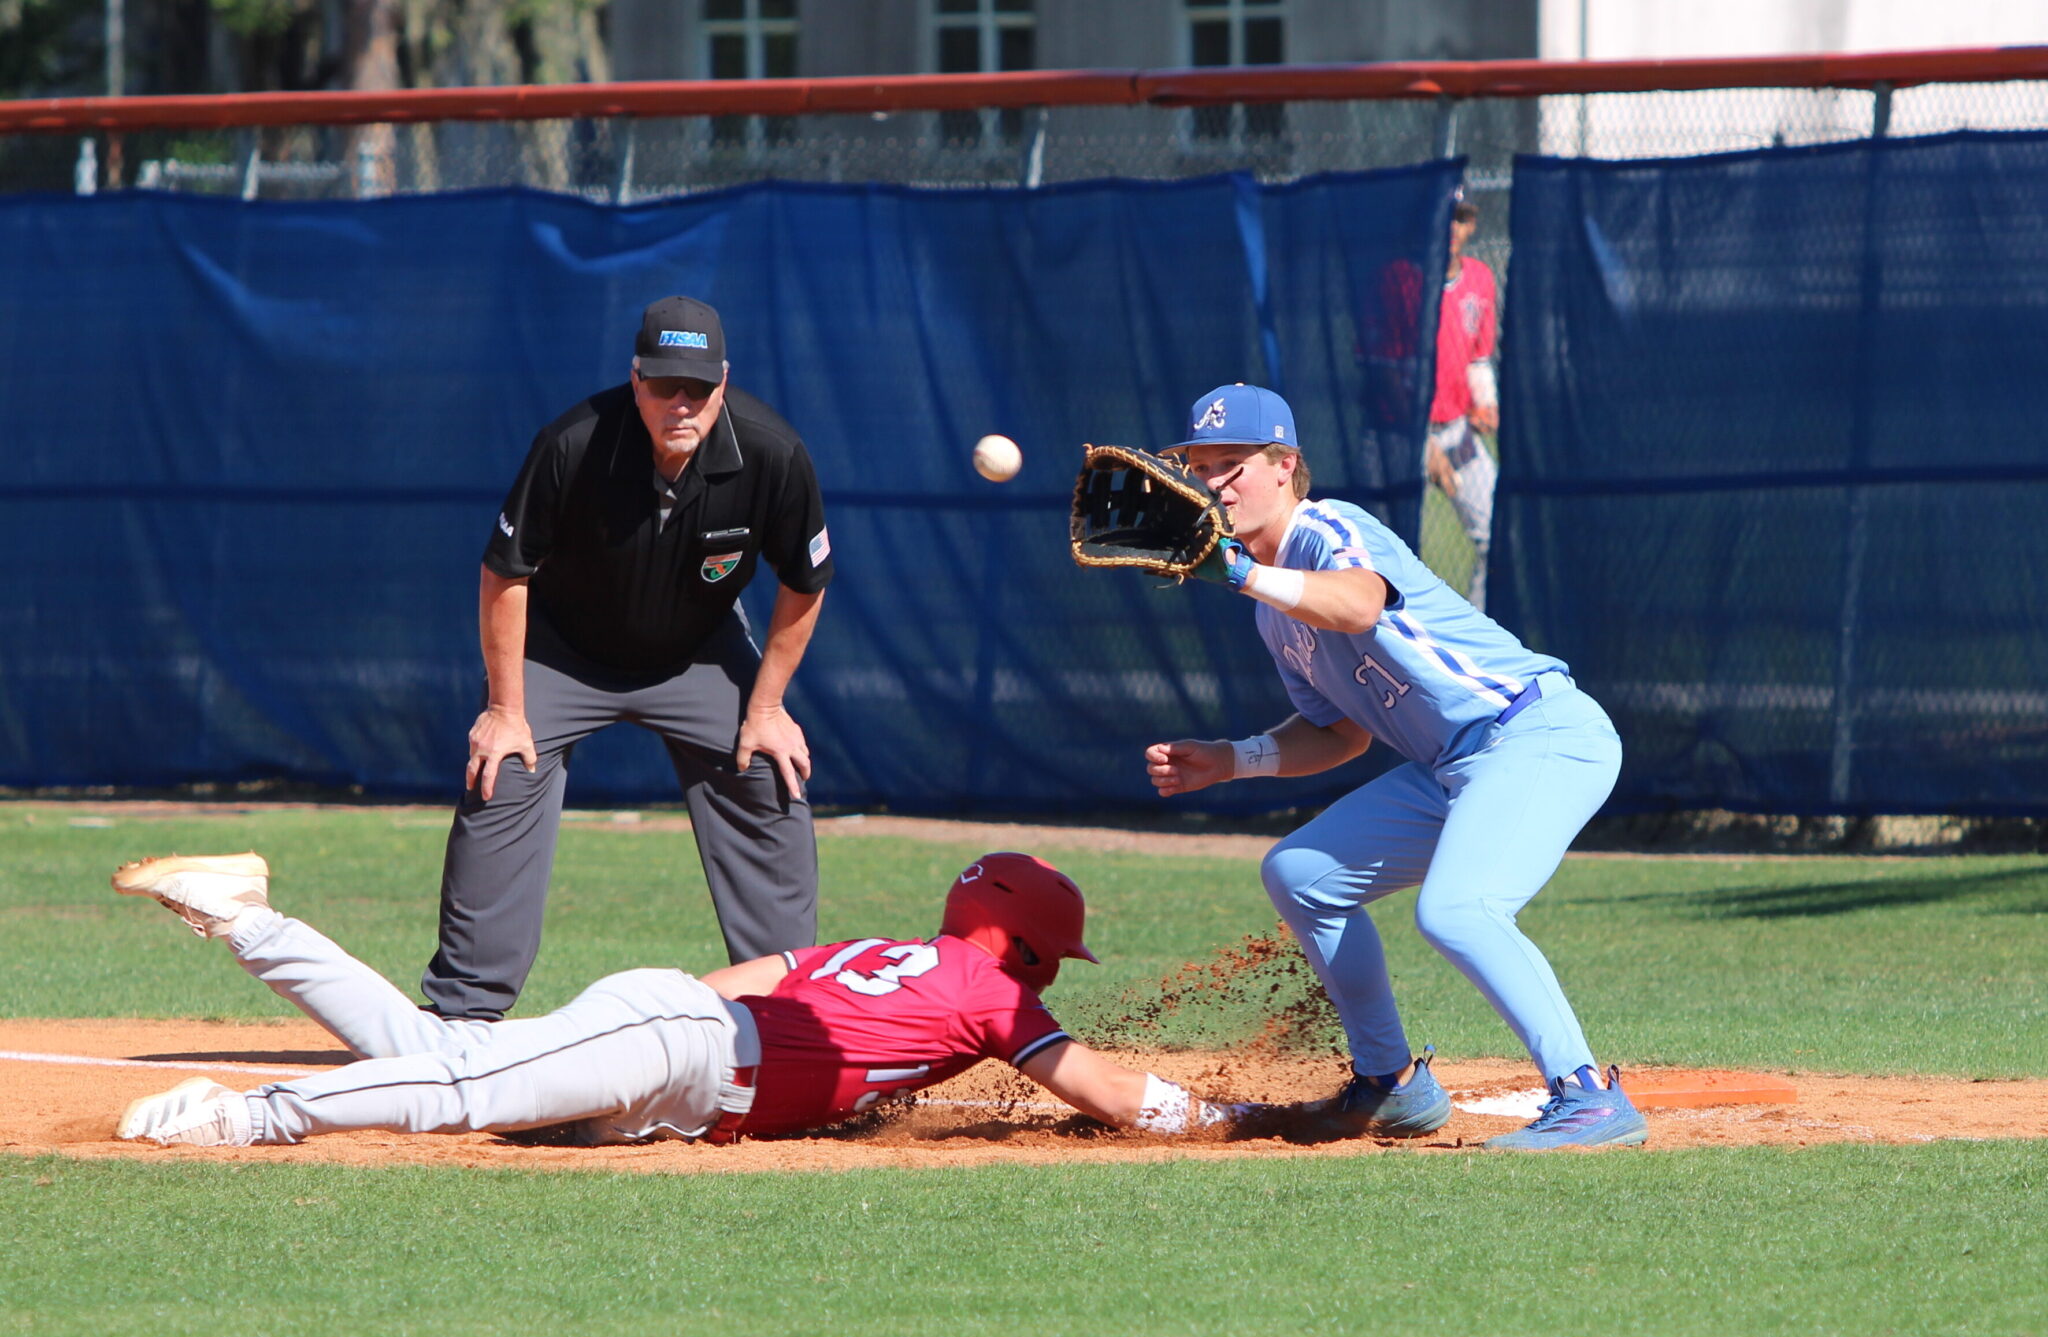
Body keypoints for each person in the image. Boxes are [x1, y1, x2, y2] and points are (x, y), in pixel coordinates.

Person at [1144, 383, 1646, 1152]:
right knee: (1300, 873)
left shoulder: (1328, 527)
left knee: (1458, 909)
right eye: (1201, 466)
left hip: (1536, 732)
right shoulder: (1272, 612)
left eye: (1231, 463)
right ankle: (1391, 1086)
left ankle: (1587, 1096)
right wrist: (1232, 760)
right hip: (1452, 766)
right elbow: (1339, 734)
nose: (1212, 483)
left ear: (1284, 466)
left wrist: (1240, 572)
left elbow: (1357, 606)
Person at [111, 852, 1252, 1149]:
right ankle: (247, 1114)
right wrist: (1233, 1120)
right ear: (1034, 949)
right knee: (460, 1086)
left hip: (679, 1039)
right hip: (684, 1051)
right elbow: (1106, 1091)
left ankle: (248, 914)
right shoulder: (992, 996)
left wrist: (619, 1045)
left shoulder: (887, 954)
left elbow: (740, 978)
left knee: (442, 1050)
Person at [426, 296, 833, 1022]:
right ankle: (462, 1021)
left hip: (697, 654)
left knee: (771, 768)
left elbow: (805, 584)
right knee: (501, 768)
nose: (682, 402)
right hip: (563, 649)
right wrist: (504, 708)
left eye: (699, 387)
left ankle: (786, 1014)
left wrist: (767, 709)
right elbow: (506, 573)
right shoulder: (575, 444)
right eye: (665, 384)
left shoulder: (772, 453)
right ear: (635, 377)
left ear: (724, 382)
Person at [1423, 191, 1500, 609]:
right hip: (1404, 436)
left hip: (1457, 430)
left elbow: (1479, 357)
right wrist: (1426, 449)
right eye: (1446, 216)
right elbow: (1388, 376)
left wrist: (1485, 402)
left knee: (1497, 536)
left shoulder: (1480, 278)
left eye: (1462, 218)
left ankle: (1479, 645)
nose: (1453, 228)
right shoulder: (1404, 280)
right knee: (1390, 549)